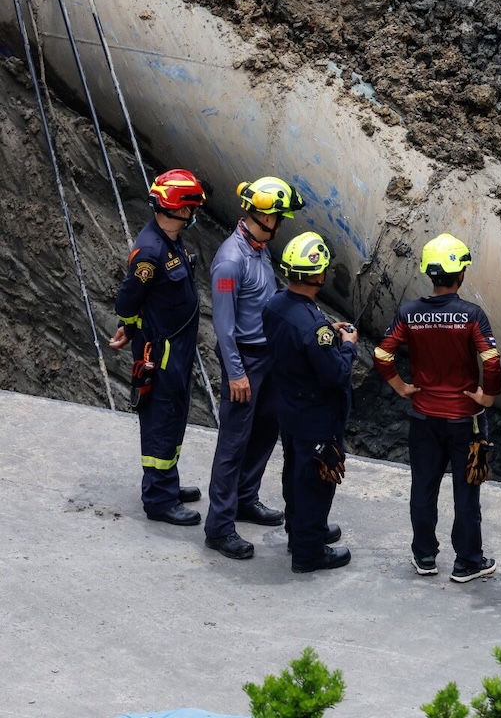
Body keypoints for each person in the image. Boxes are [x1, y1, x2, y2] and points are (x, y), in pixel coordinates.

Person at [373, 233, 501, 583]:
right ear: (461, 274)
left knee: (423, 487)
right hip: (465, 419)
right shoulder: (471, 315)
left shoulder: (409, 313)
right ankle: (467, 563)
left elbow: (382, 355)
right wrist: (487, 397)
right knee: (467, 489)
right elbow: (491, 360)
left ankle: (425, 557)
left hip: (424, 417)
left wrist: (402, 386)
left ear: (430, 274)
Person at [203, 177, 304, 559]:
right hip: (244, 358)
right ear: (261, 215)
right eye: (278, 217)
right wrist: (236, 373)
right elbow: (224, 326)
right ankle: (219, 527)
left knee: (264, 431)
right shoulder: (231, 259)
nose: (281, 224)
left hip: (267, 357)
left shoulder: (259, 249)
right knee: (233, 442)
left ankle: (245, 499)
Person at [109, 168, 207, 526]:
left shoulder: (172, 239)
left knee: (177, 413)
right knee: (161, 418)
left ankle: (168, 482)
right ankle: (158, 499)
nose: (194, 213)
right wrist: (130, 328)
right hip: (161, 351)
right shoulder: (150, 251)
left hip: (177, 347)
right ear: (177, 208)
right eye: (191, 207)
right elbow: (128, 298)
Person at [264, 231, 356, 574]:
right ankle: (309, 552)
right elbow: (335, 373)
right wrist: (346, 345)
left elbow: (296, 341)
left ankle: (302, 530)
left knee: (295, 472)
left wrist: (326, 330)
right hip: (316, 415)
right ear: (318, 274)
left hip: (289, 407)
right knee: (317, 481)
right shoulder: (313, 328)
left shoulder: (277, 305)